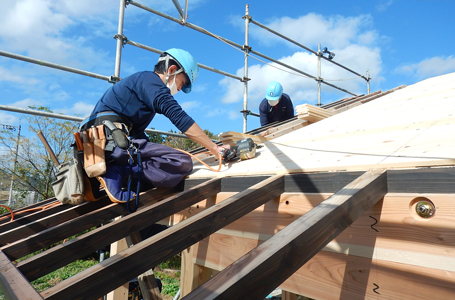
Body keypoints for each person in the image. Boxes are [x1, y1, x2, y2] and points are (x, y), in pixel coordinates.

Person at [79, 48, 227, 204]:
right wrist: (215, 148)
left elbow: (138, 137)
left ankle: (115, 176)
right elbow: (179, 118)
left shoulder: (140, 85)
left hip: (98, 145)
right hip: (108, 144)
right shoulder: (151, 82)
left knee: (153, 169)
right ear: (172, 70)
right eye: (181, 83)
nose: (178, 89)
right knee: (181, 161)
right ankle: (116, 173)